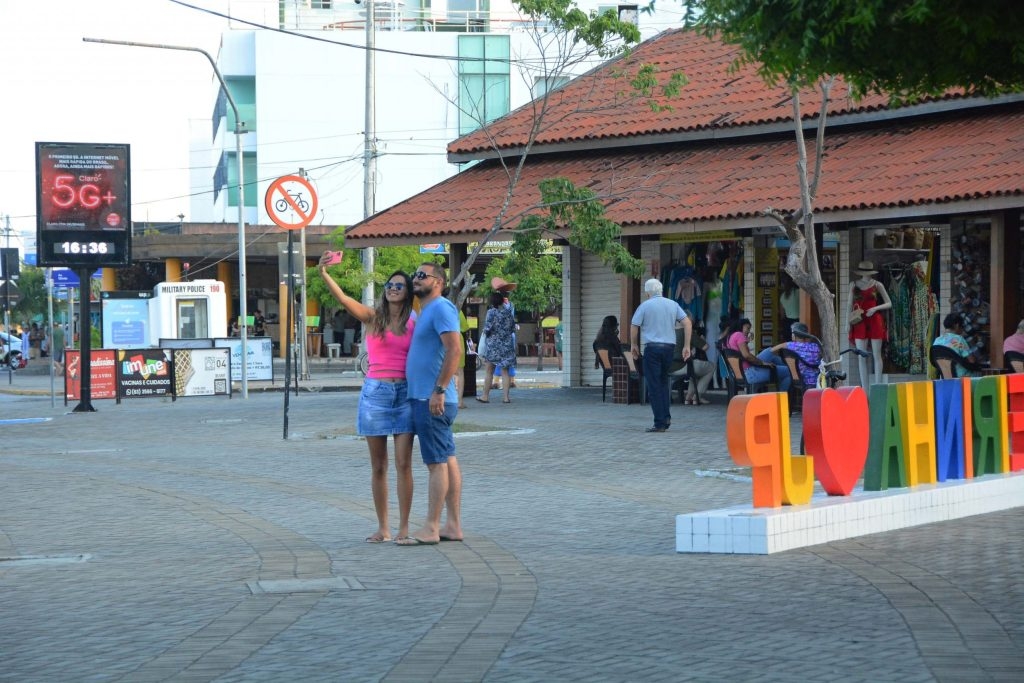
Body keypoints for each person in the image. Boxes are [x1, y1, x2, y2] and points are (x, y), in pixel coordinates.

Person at [318, 253, 416, 544]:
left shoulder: (415, 322)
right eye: (389, 284)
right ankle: (383, 527)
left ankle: (404, 528)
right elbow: (345, 300)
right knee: (379, 466)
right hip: (376, 394)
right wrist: (324, 273)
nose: (393, 288)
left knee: (404, 464)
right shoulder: (374, 318)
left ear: (408, 292)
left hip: (405, 394)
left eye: (399, 285)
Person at [399, 262, 463, 546]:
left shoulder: (441, 308)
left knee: (436, 464)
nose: (416, 279)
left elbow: (455, 349)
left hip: (431, 399)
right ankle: (452, 525)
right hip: (427, 397)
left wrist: (439, 390)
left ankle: (431, 527)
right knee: (447, 459)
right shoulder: (427, 311)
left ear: (437, 281)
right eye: (415, 274)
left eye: (422, 275)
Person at [630, 278, 691, 432]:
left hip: (652, 349)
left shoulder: (645, 306)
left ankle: (659, 423)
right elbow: (687, 323)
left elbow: (634, 325)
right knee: (664, 383)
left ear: (647, 293)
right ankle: (666, 416)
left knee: (654, 385)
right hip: (669, 348)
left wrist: (634, 345)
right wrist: (687, 346)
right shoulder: (672, 304)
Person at [848, 261, 892, 389]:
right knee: (861, 356)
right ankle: (865, 389)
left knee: (876, 355)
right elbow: (849, 305)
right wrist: (847, 323)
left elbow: (889, 303)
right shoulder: (853, 285)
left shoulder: (877, 285)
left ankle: (877, 386)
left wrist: (875, 308)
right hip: (859, 321)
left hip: (874, 320)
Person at [725, 318, 788, 391]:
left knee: (769, 351)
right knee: (789, 371)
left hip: (743, 372)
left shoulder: (731, 336)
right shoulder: (739, 335)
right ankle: (781, 398)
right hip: (750, 373)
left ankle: (787, 366)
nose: (748, 331)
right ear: (741, 326)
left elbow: (740, 352)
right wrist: (762, 363)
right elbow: (747, 355)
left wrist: (747, 341)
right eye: (747, 328)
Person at [478, 291, 518, 403]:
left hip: (493, 345)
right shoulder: (508, 312)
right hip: (506, 345)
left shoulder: (491, 312)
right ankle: (506, 398)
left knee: (489, 371)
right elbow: (512, 328)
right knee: (505, 371)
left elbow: (487, 328)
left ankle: (485, 396)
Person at [764, 322, 822, 389]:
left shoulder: (790, 345)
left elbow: (772, 351)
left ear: (794, 335)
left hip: (800, 380)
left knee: (785, 373)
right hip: (817, 380)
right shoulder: (815, 346)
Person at [674, 324, 714, 405]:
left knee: (696, 369)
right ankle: (697, 397)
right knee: (712, 366)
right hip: (682, 366)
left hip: (668, 367)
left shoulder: (668, 332)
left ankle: (689, 397)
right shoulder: (687, 332)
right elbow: (705, 347)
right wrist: (702, 339)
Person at [933, 313, 982, 377]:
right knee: (979, 372)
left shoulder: (937, 341)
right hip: (961, 377)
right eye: (962, 326)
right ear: (957, 325)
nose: (962, 329)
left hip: (945, 377)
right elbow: (972, 361)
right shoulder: (959, 339)